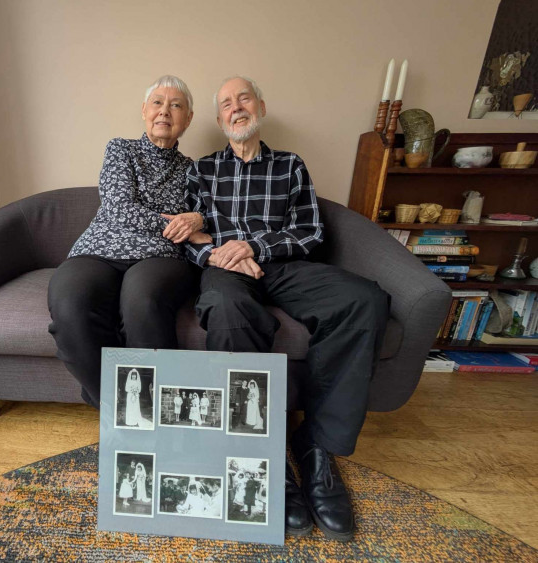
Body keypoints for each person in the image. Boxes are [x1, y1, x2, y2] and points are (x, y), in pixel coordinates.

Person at [184, 76, 390, 541]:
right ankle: (260, 454)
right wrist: (218, 255)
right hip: (225, 269)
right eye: (226, 104)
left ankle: (316, 446)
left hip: (281, 264)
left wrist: (252, 245)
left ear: (260, 107)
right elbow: (187, 235)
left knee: (364, 300)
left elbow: (311, 231)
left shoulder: (290, 166)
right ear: (219, 121)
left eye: (243, 99)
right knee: (224, 305)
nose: (236, 108)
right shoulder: (202, 170)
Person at [48, 75, 205, 409]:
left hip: (158, 256)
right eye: (158, 103)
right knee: (70, 302)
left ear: (188, 119)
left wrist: (195, 220)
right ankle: (122, 411)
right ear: (144, 110)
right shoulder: (120, 149)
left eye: (176, 105)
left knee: (142, 302)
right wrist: (175, 223)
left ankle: (155, 409)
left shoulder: (193, 169)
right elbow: (119, 208)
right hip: (99, 249)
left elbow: (204, 214)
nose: (165, 111)